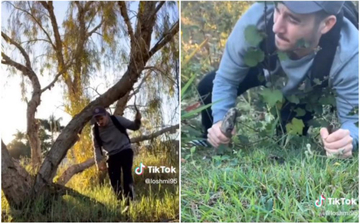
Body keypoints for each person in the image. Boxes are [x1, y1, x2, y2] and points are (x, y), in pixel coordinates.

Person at [195, 1, 358, 158]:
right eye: (278, 10)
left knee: (291, 136)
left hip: (308, 86)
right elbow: (226, 79)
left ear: (326, 24)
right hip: (266, 67)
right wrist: (219, 120)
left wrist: (347, 141)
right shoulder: (255, 20)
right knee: (208, 86)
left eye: (293, 20)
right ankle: (210, 140)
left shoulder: (350, 52)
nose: (276, 27)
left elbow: (354, 122)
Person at [92, 106, 141, 206]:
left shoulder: (117, 120)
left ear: (107, 115)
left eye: (101, 118)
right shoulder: (96, 130)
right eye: (97, 120)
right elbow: (96, 147)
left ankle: (130, 201)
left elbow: (134, 127)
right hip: (112, 155)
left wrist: (138, 120)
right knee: (114, 180)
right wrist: (99, 161)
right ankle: (120, 201)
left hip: (125, 150)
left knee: (127, 176)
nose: (100, 122)